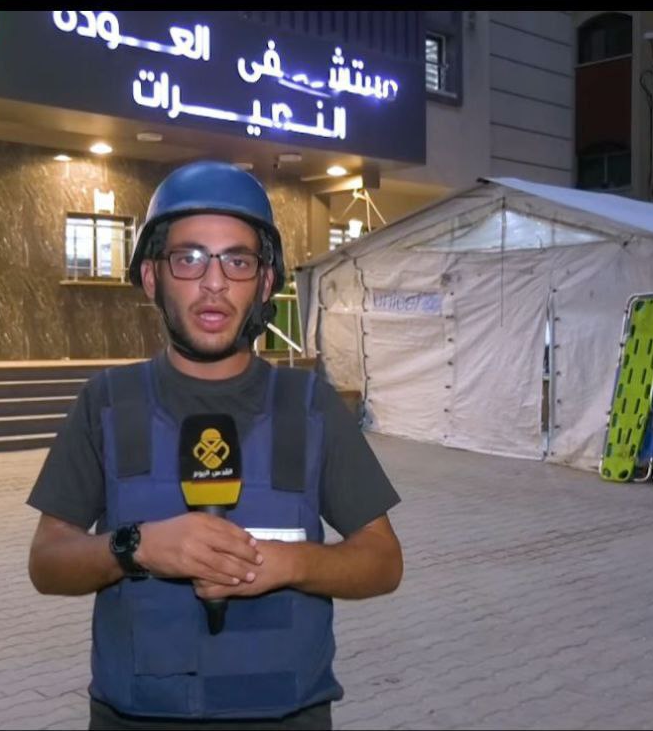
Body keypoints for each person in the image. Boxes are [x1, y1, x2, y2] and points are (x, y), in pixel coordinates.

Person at [26, 161, 404, 730]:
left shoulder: (310, 405)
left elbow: (383, 561)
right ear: (152, 277)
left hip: (286, 716)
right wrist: (135, 547)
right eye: (189, 258)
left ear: (265, 283)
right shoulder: (107, 402)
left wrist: (289, 563)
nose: (214, 282)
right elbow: (47, 563)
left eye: (238, 261)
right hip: (137, 718)